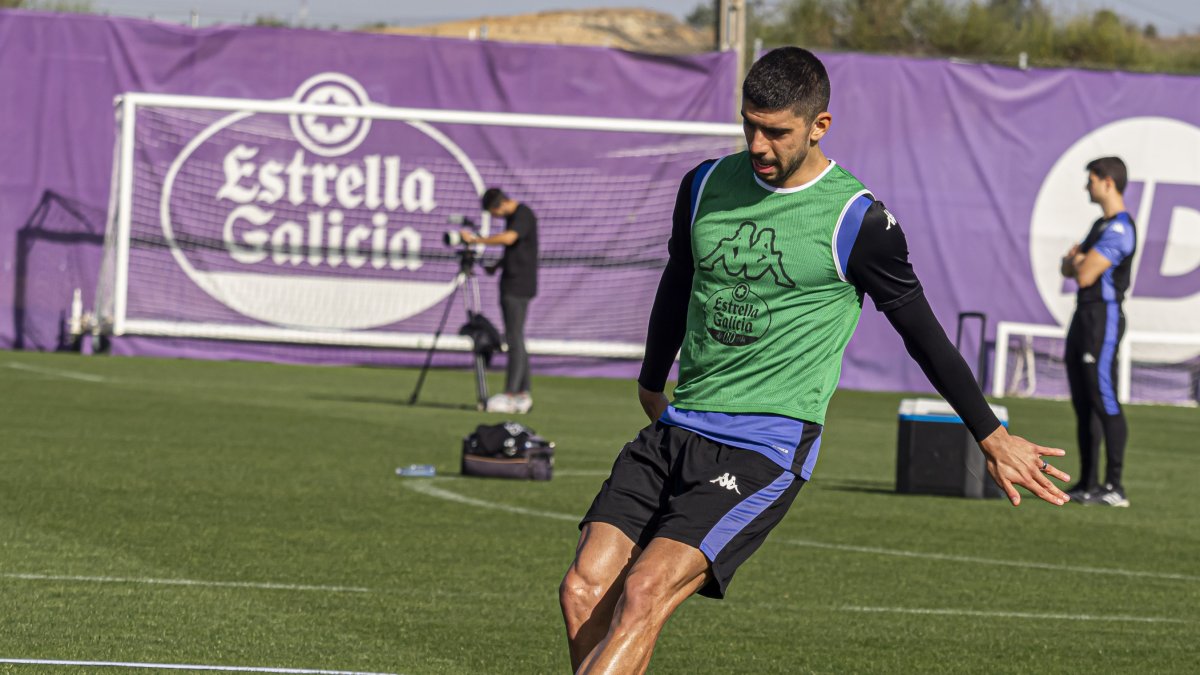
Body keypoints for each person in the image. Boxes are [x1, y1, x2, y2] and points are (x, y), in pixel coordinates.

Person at [559, 47, 1072, 675]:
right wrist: (650, 375)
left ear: (818, 126)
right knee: (583, 589)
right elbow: (678, 277)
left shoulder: (858, 221)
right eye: (749, 125)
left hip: (764, 444)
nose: (759, 144)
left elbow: (922, 332)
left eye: (776, 131)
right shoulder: (703, 185)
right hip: (677, 428)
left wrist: (989, 434)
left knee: (644, 593)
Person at [1059, 157, 1136, 507]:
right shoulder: (1099, 225)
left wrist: (1078, 261)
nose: (1086, 187)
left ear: (1107, 182)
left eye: (1090, 180)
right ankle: (1088, 482)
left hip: (1102, 318)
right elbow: (1069, 265)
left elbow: (1085, 273)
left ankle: (1114, 486)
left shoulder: (1120, 228)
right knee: (1083, 400)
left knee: (1102, 396)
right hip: (1083, 315)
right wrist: (1076, 262)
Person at [459, 188, 538, 414]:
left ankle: (512, 393)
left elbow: (510, 238)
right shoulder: (516, 217)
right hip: (515, 282)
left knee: (514, 338)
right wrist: (497, 265)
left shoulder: (522, 214)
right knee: (517, 337)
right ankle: (523, 393)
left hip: (517, 285)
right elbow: (515, 248)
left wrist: (475, 240)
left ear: (498, 205)